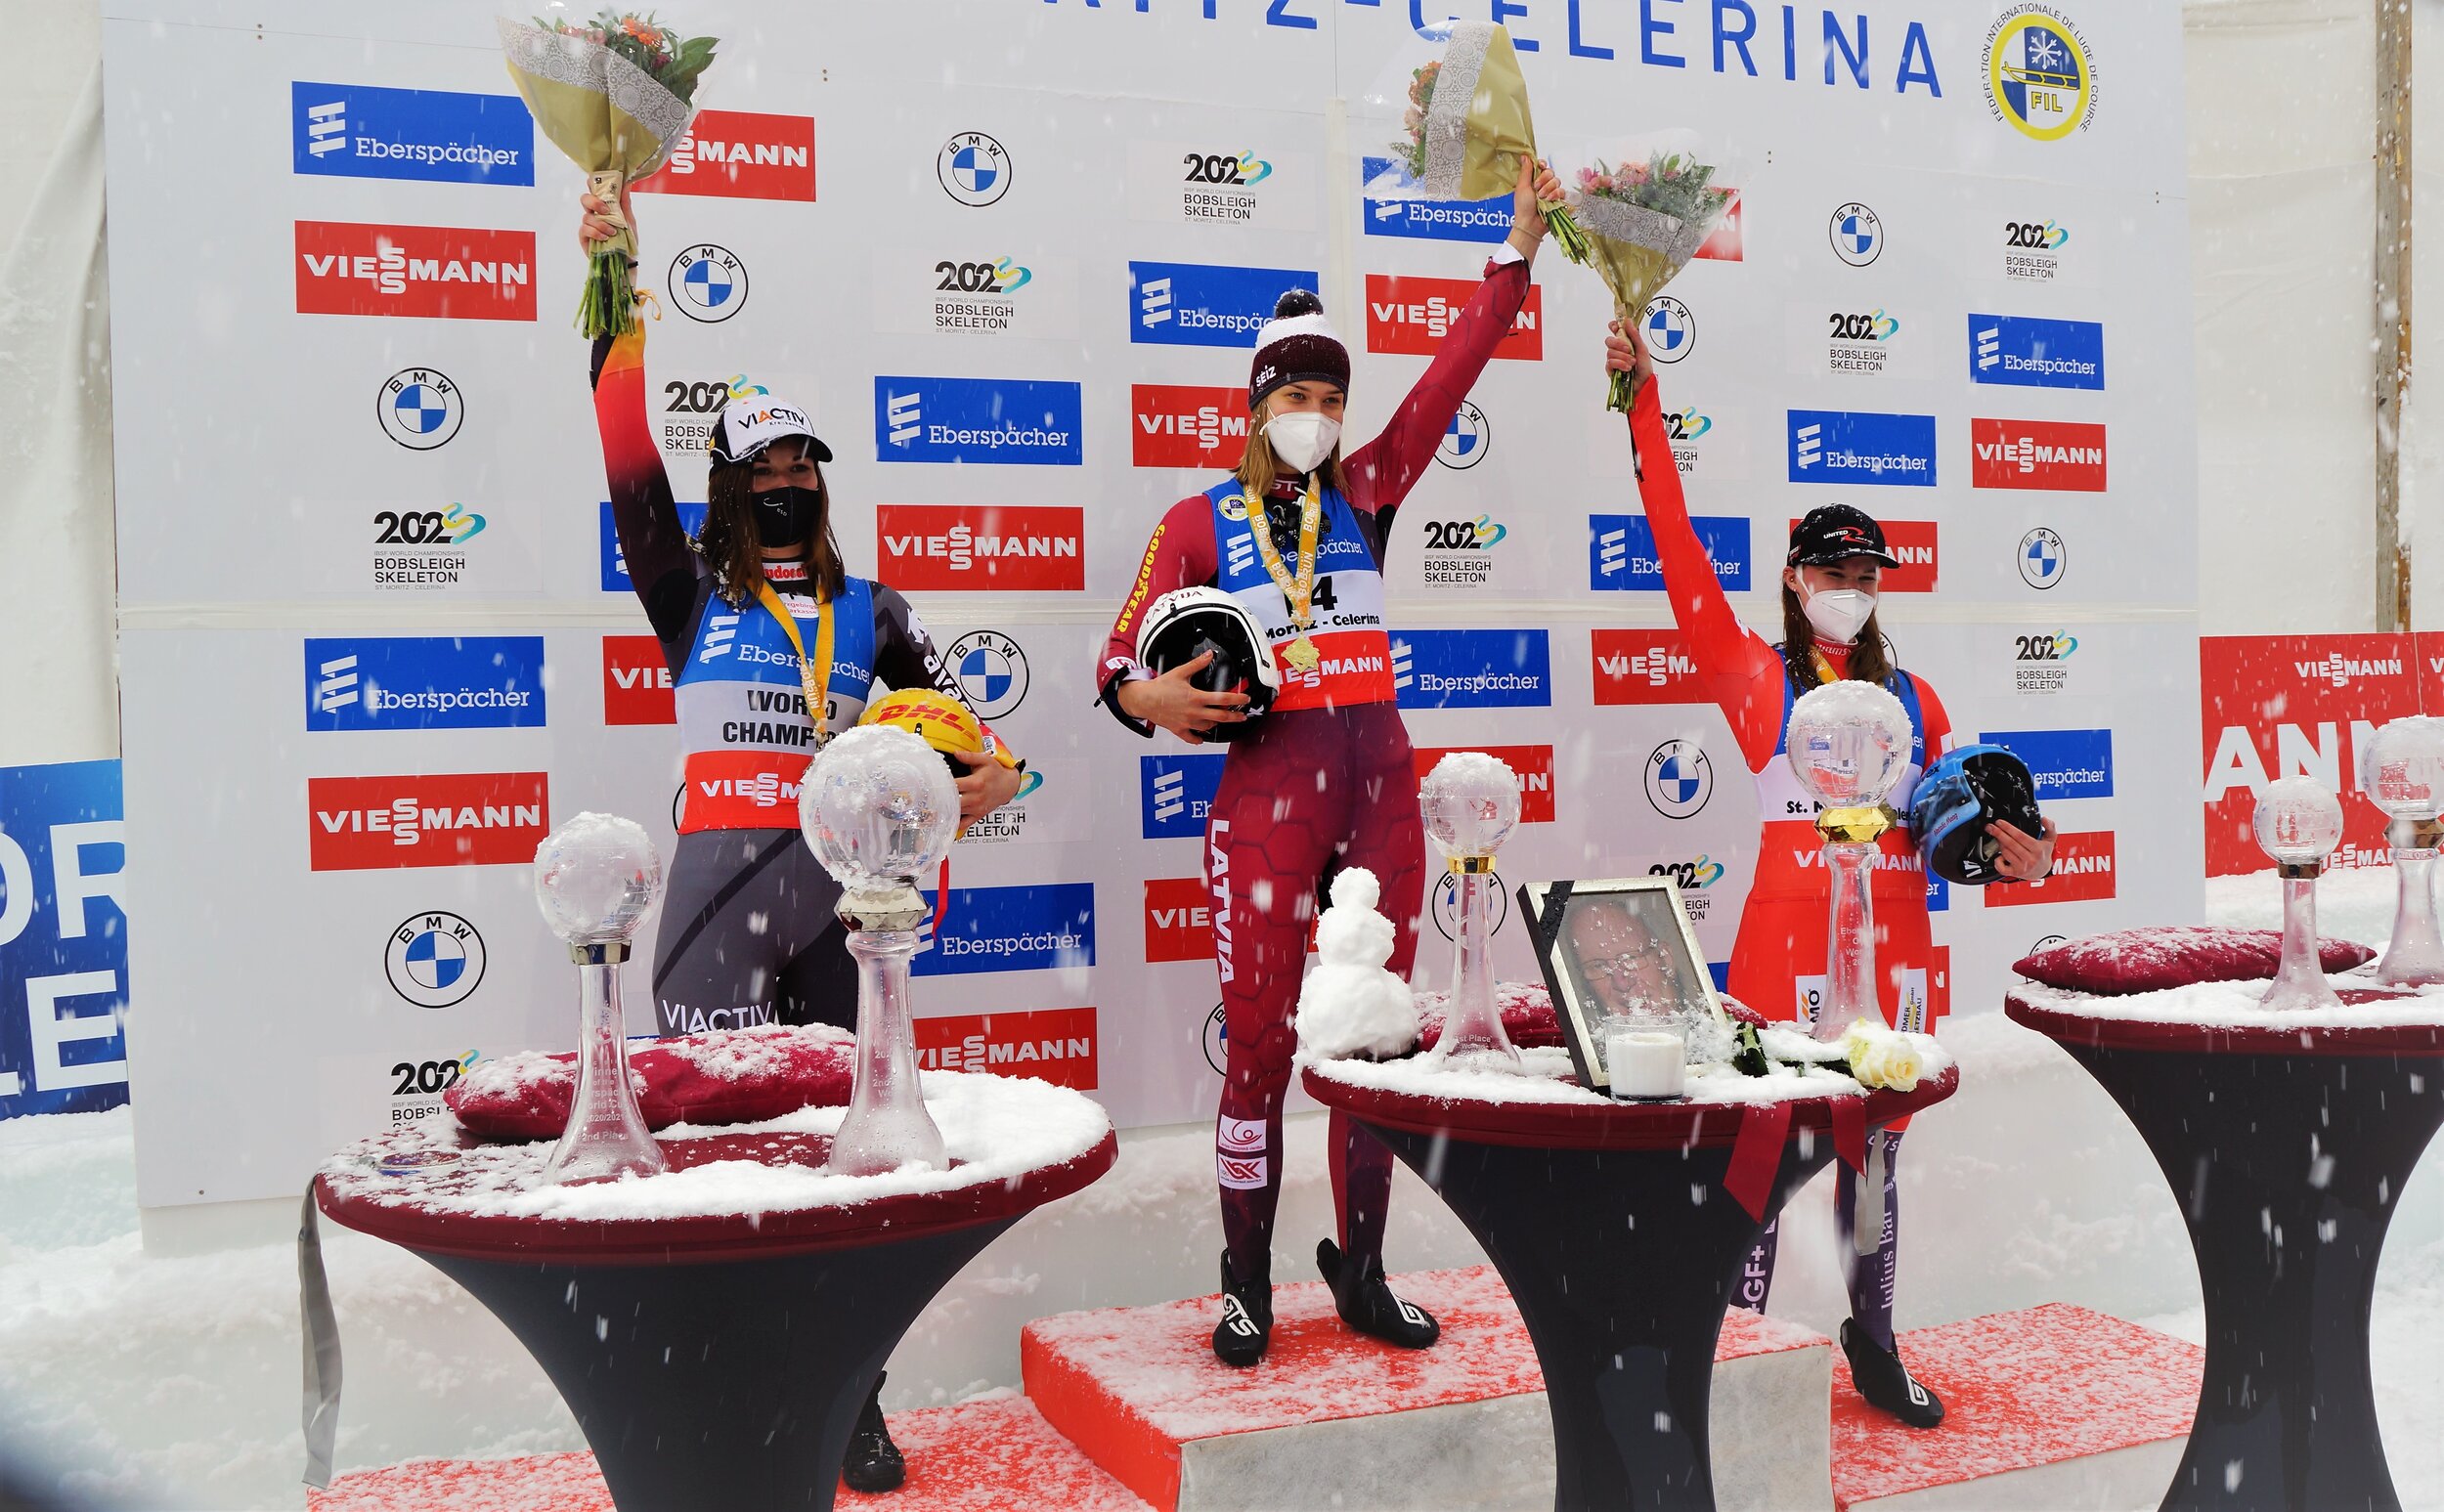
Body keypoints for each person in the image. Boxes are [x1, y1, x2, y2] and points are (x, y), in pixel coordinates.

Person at [582, 187, 1026, 1492]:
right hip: (719, 896)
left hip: (848, 911)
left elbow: (962, 739)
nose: (788, 482)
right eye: (764, 468)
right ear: (730, 486)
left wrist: (984, 777)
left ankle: (854, 1397)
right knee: (715, 1146)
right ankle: (723, 1377)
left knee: (861, 1147)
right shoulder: (684, 587)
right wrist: (613, 284)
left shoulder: (880, 608)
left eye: (803, 465)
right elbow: (622, 455)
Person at [1099, 158, 1565, 1367]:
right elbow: (1116, 662)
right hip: (1264, 798)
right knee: (1256, 1045)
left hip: (1378, 796)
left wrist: (1512, 257)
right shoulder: (1198, 519)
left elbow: (1447, 379)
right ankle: (1245, 1278)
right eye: (1292, 390)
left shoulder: (1368, 488)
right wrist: (1149, 695)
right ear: (1254, 405)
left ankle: (1359, 1270)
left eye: (1326, 392)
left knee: (1370, 1040)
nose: (1312, 407)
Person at [1603, 320, 2055, 1429]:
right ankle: (1735, 1354)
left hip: (1894, 944)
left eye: (1867, 574)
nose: (1852, 590)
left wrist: (2023, 852)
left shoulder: (1920, 702)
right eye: (1833, 571)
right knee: (1760, 1155)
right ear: (1794, 578)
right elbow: (1673, 550)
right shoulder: (1755, 678)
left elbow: (1964, 834)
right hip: (1780, 948)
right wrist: (1640, 409)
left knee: (1876, 1158)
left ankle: (1874, 1337)